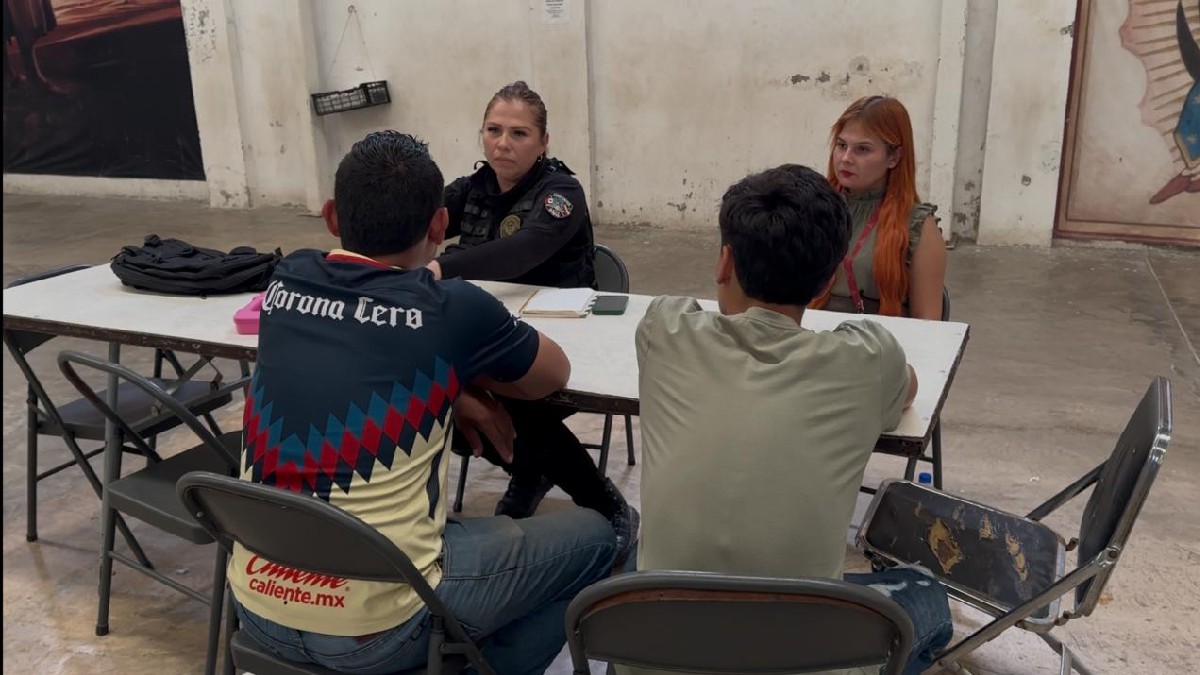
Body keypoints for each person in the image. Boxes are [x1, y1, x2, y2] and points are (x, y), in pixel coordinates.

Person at [227, 130, 617, 674]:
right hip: (376, 627)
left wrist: (445, 385)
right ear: (439, 226)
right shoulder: (450, 308)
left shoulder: (286, 280)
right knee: (606, 536)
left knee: (448, 526)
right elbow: (551, 375)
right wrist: (451, 377)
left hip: (256, 607)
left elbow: (352, 349)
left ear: (331, 216)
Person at [631, 165, 952, 675]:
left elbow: (690, 316)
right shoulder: (868, 360)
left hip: (654, 654)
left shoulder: (663, 331)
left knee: (639, 554)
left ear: (724, 261)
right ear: (828, 278)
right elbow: (909, 386)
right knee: (925, 595)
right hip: (805, 656)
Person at [425, 80, 637, 559]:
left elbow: (527, 248)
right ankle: (530, 469)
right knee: (441, 394)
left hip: (567, 338)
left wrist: (445, 264)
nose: (503, 143)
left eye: (519, 133)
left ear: (543, 142)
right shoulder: (471, 189)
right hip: (493, 334)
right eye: (494, 130)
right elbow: (423, 220)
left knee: (512, 401)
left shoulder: (560, 190)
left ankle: (604, 503)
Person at [810, 95, 948, 320]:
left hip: (875, 348)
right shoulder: (812, 208)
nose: (845, 158)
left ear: (894, 157)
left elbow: (928, 325)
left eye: (862, 149)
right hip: (808, 342)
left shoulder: (918, 228)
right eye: (841, 145)